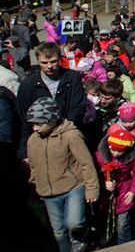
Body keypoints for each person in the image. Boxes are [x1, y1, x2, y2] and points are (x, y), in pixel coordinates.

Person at [25, 97, 99, 252]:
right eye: (33, 124)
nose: (35, 128)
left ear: (52, 120)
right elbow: (33, 165)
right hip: (48, 192)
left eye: (39, 124)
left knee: (75, 222)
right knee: (59, 231)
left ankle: (81, 237)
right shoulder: (33, 140)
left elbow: (86, 162)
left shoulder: (71, 136)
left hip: (73, 187)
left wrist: (92, 188)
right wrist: (34, 186)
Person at [16, 42, 86, 160]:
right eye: (44, 63)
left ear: (59, 58)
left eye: (53, 61)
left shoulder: (72, 78)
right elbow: (24, 119)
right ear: (38, 61)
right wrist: (24, 151)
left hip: (67, 134)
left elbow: (77, 108)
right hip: (39, 138)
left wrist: (64, 132)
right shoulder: (28, 85)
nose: (49, 66)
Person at [95, 127, 135, 244]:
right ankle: (107, 237)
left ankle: (124, 244)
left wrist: (133, 191)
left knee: (123, 224)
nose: (116, 153)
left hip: (124, 191)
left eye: (120, 151)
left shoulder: (134, 156)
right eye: (113, 150)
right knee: (105, 218)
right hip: (106, 195)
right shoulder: (99, 156)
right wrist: (104, 183)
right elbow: (94, 174)